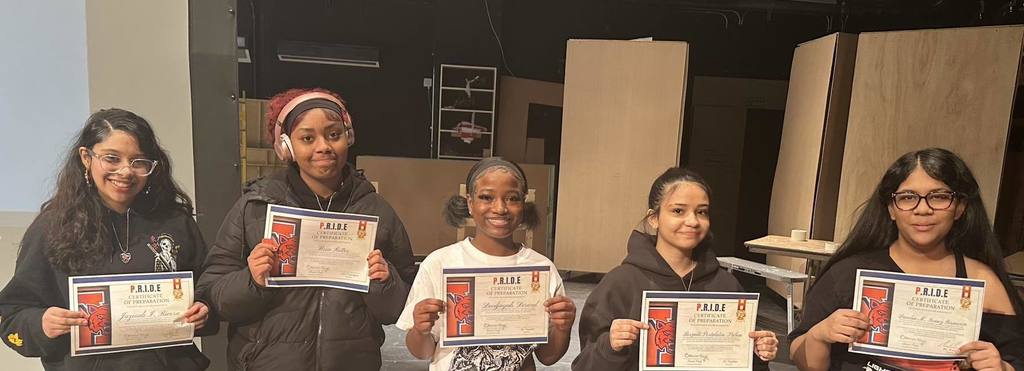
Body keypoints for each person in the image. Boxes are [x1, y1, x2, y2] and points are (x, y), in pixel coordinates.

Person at [197, 88, 416, 370]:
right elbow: (214, 294)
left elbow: (402, 308)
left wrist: (385, 283)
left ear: (347, 137)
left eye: (333, 135)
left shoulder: (377, 212)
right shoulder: (255, 208)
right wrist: (252, 280)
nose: (323, 146)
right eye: (307, 138)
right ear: (286, 147)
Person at [0, 108, 215, 370]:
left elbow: (209, 287)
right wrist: (40, 323)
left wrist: (204, 308)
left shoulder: (175, 221)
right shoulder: (53, 226)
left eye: (139, 162)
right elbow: (11, 316)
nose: (126, 171)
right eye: (112, 158)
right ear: (86, 158)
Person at [789, 148, 1024, 371]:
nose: (922, 209)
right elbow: (803, 360)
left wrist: (1002, 366)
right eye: (908, 197)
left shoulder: (983, 281)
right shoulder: (848, 273)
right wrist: (820, 334)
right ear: (891, 209)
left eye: (939, 196)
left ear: (960, 208)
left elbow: (1015, 358)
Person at [573, 167, 778, 371]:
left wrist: (757, 354)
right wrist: (609, 345)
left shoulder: (726, 285)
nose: (692, 221)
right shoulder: (620, 283)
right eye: (678, 211)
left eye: (702, 212)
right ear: (654, 218)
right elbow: (583, 366)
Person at [398, 157, 576, 370]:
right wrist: (420, 330)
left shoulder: (541, 268)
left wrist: (563, 327)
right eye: (486, 197)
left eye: (512, 198)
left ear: (523, 203)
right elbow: (422, 351)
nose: (500, 208)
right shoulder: (440, 263)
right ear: (470, 203)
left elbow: (547, 357)